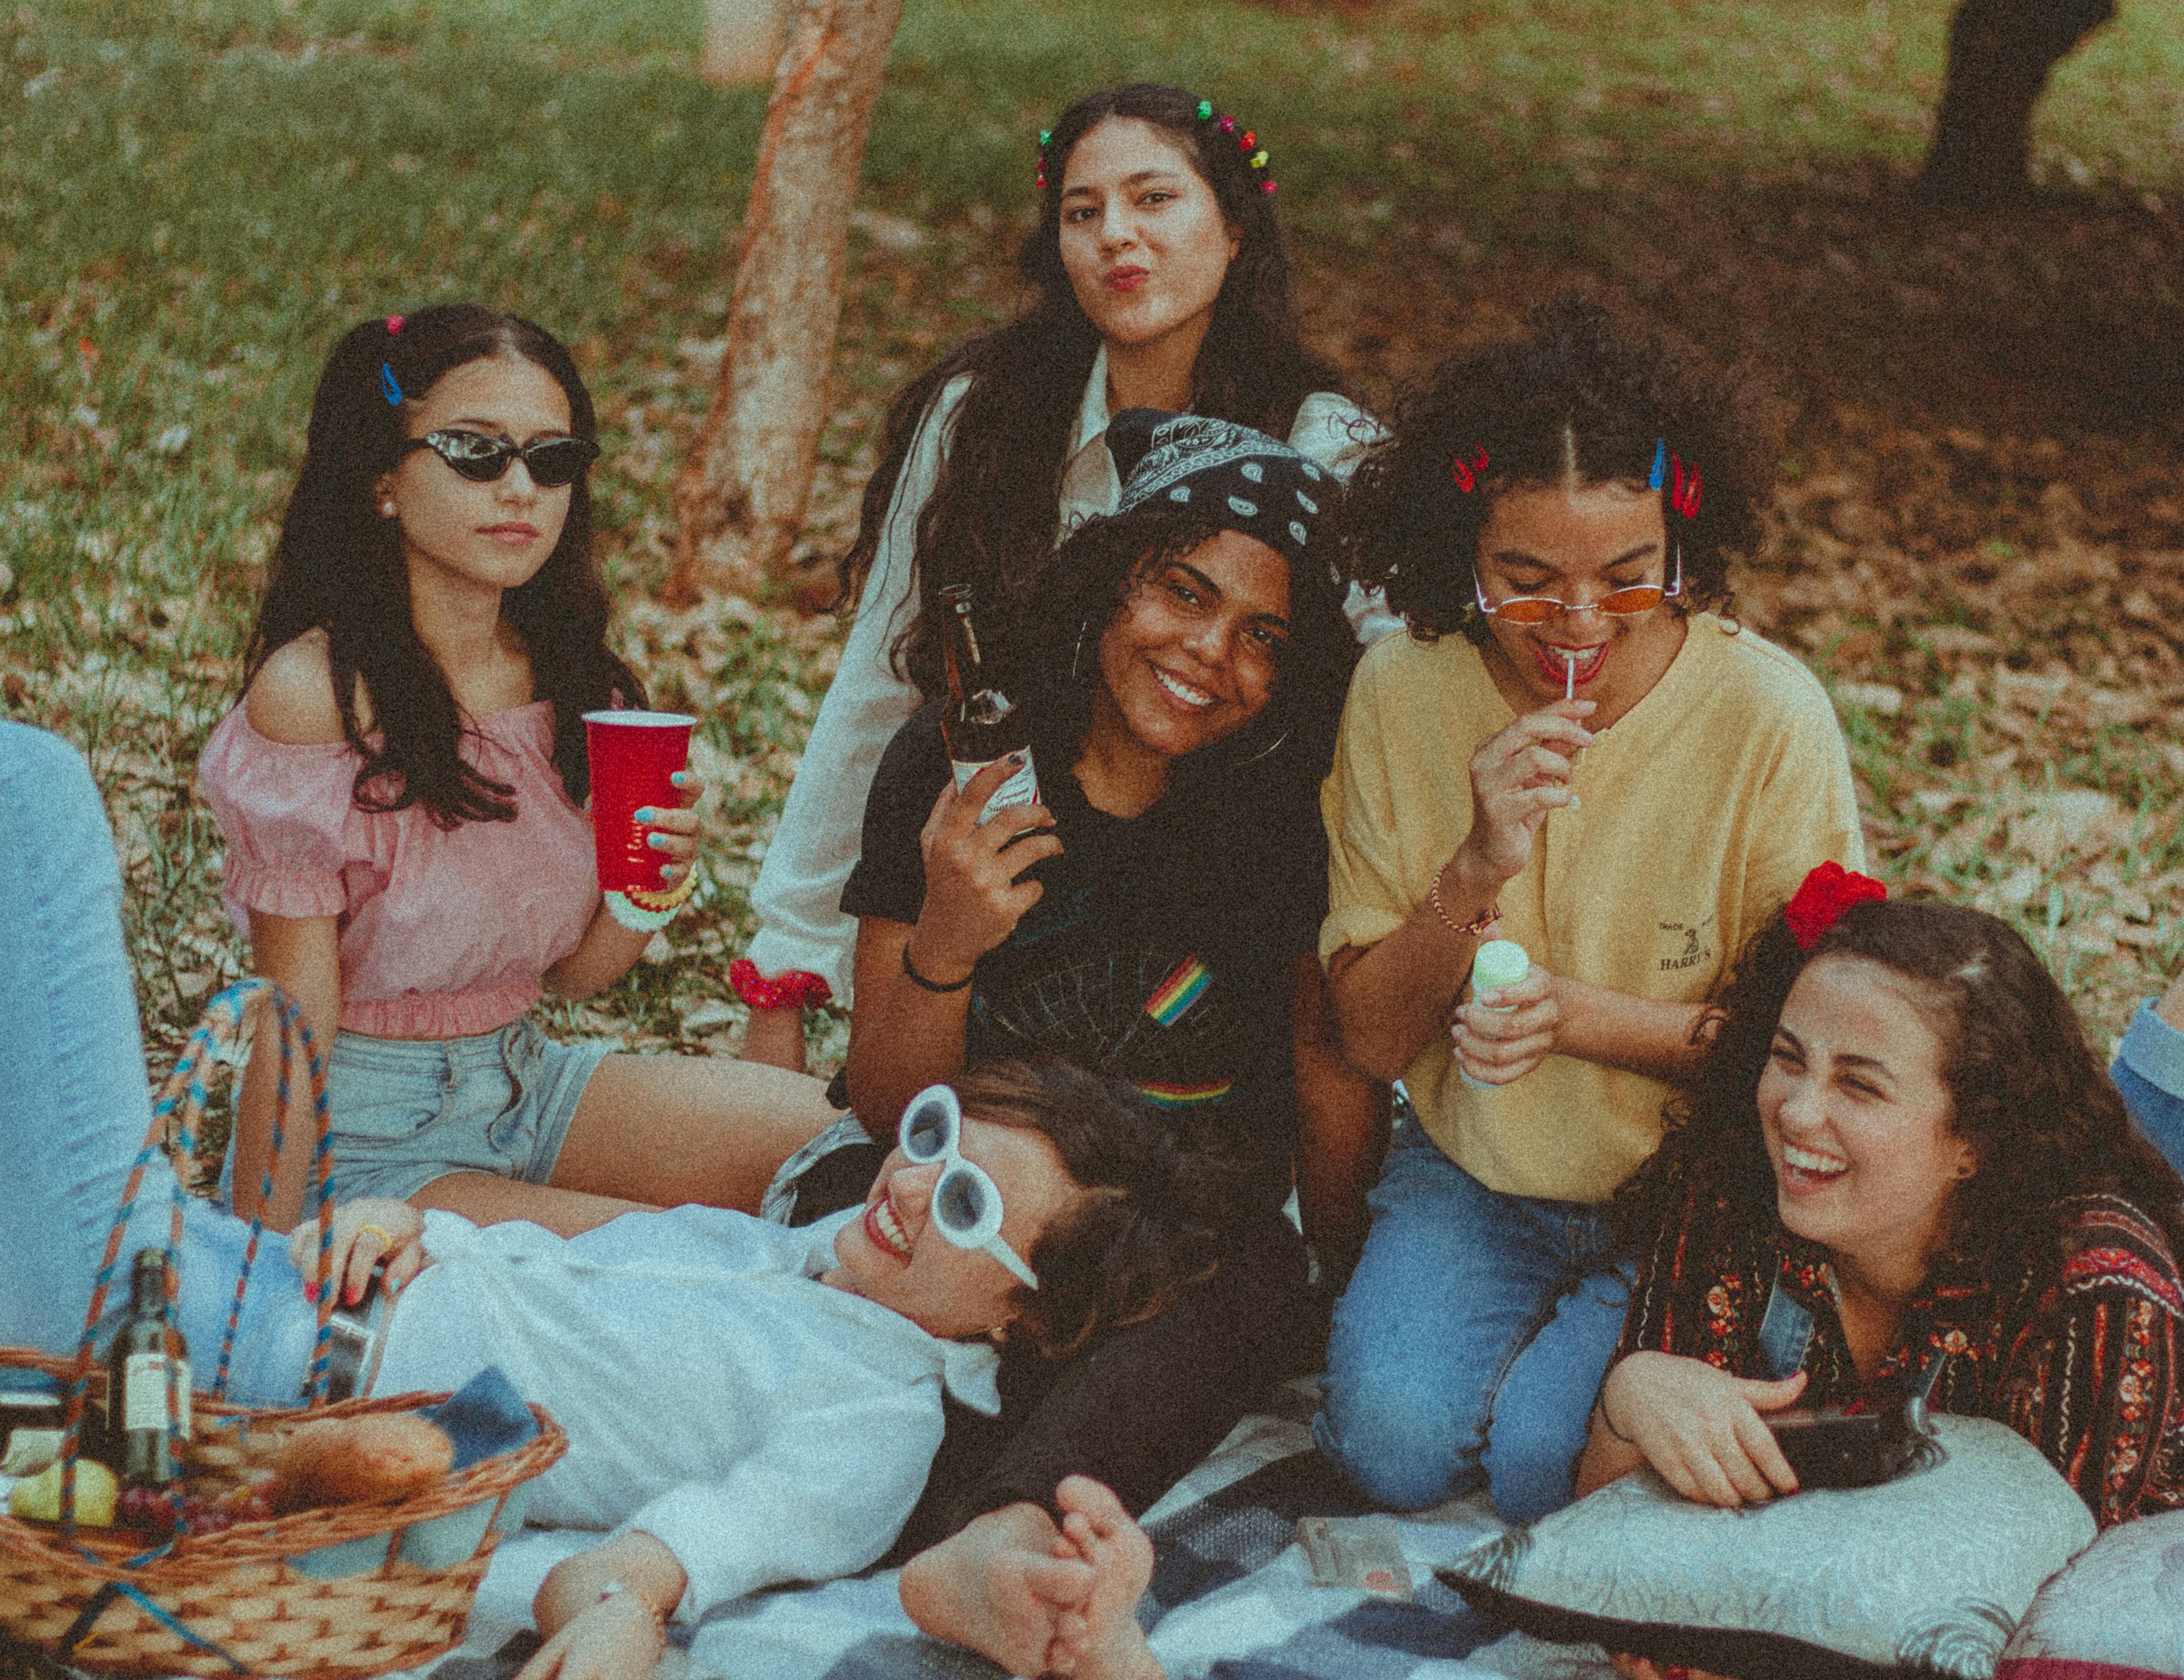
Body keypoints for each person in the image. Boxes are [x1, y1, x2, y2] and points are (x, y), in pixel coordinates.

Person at [0, 717, 1214, 1680]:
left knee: (36, 794)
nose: (908, 1182)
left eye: (964, 1208)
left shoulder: (873, 1426)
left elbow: (664, 1557)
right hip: (251, 1283)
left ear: (1025, 1319)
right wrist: (406, 1226)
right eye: (936, 1141)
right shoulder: (783, 1256)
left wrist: (623, 1617)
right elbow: (537, 1283)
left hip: (221, 1377)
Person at [759, 409, 1375, 1678]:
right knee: (929, 1317)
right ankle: (988, 1532)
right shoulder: (963, 762)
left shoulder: (1287, 821)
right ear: (1110, 579)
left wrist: (1351, 1277)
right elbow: (885, 1105)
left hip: (1164, 1237)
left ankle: (1004, 1536)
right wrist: (946, 941)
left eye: (1263, 636)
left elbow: (1323, 1077)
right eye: (1183, 592)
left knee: (1254, 1281)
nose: (1209, 652)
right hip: (941, 1187)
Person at [1588, 774, 2184, 1557]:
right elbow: (1600, 1530)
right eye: (1788, 1057)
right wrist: (1636, 1393)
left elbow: (2017, 1593)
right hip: (2071, 1209)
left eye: (1859, 1085)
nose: (1796, 1111)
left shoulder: (2097, 1296)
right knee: (2123, 1163)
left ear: (1975, 1142)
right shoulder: (1746, 1182)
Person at [1312, 298, 1867, 1524]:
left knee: (1543, 1474)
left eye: (1627, 580)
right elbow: (1369, 1039)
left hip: (1693, 1186)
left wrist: (1579, 1019)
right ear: (1460, 553)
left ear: (1685, 543)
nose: (1577, 624)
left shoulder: (1767, 716)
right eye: (1525, 582)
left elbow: (1816, 1050)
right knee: (1387, 1451)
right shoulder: (1402, 691)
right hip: (1478, 1171)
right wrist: (1474, 869)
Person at [733, 81, 1386, 1065]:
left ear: (1236, 228)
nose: (1116, 234)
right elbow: (878, 686)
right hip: (991, 898)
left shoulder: (1321, 439)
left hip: (1219, 925)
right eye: (1083, 212)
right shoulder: (985, 413)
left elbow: (1394, 702)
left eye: (1154, 198)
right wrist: (785, 973)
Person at [195, 304, 837, 1233]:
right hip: (366, 1142)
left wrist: (649, 886)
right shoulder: (317, 695)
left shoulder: (571, 680)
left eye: (552, 458)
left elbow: (573, 980)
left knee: (851, 1149)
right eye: (475, 452)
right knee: (695, 1260)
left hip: (528, 1082)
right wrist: (255, 1262)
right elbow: (295, 1023)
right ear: (383, 479)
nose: (521, 487)